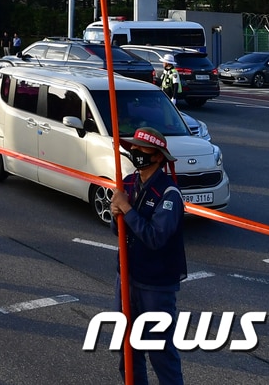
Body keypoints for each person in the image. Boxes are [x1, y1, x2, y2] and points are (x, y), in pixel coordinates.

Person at [109, 128, 187, 385]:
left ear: (157, 156)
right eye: (134, 147)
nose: (135, 152)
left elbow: (156, 237)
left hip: (156, 285)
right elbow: (118, 230)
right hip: (127, 277)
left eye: (142, 149)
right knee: (128, 350)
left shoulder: (169, 194)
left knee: (160, 352)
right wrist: (115, 212)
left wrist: (127, 209)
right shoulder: (129, 182)